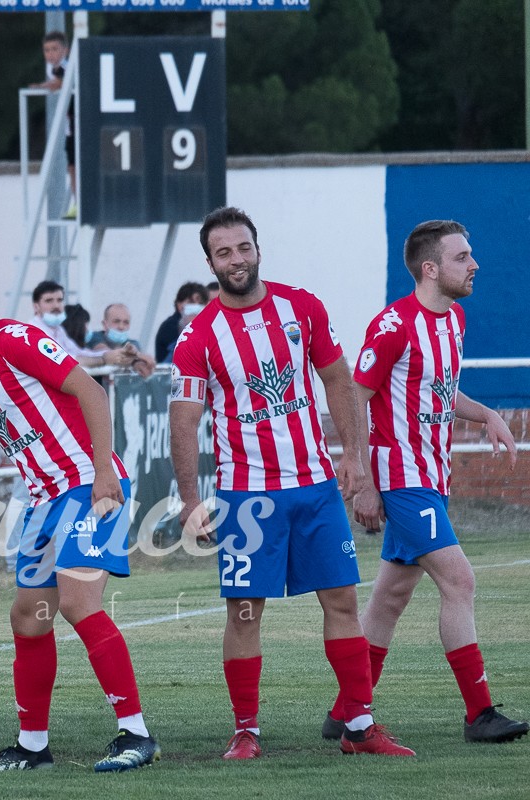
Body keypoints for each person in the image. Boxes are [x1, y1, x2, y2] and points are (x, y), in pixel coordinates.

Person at [168, 206, 414, 759]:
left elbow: (337, 380)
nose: (236, 259)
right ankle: (246, 731)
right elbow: (183, 420)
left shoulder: (301, 307)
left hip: (316, 489)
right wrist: (190, 502)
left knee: (342, 602)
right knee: (245, 611)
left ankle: (359, 726)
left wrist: (354, 455)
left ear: (258, 247)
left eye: (243, 247)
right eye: (223, 252)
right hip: (247, 495)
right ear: (210, 262)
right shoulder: (199, 335)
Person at [0, 254, 159, 773]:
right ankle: (33, 747)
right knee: (28, 617)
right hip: (45, 500)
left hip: (87, 485)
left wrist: (105, 470)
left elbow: (88, 388)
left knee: (77, 601)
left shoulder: (14, 339)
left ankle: (136, 735)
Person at [324, 220, 527, 744]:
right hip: (402, 478)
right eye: (463, 257)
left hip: (430, 477)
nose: (474, 264)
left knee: (390, 598)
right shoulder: (394, 325)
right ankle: (479, 713)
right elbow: (354, 398)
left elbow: (442, 391)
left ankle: (347, 710)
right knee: (460, 582)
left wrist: (486, 415)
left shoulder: (454, 319)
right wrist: (364, 481)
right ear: (430, 268)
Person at [29, 281, 154, 376]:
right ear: (36, 307)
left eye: (59, 300)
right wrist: (104, 359)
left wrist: (124, 355)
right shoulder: (36, 332)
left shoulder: (57, 330)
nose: (56, 305)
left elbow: (80, 353)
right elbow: (66, 361)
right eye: (49, 301)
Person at [30, 31, 76, 219]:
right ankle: (78, 202)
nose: (50, 54)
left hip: (77, 123)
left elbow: (60, 81)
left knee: (76, 165)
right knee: (72, 166)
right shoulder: (52, 68)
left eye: (55, 49)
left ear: (65, 50)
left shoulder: (66, 66)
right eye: (47, 50)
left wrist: (41, 86)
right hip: (69, 125)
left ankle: (81, 203)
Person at [153, 281, 209, 364]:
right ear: (179, 305)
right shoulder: (170, 326)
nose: (196, 306)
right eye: (191, 302)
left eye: (200, 303)